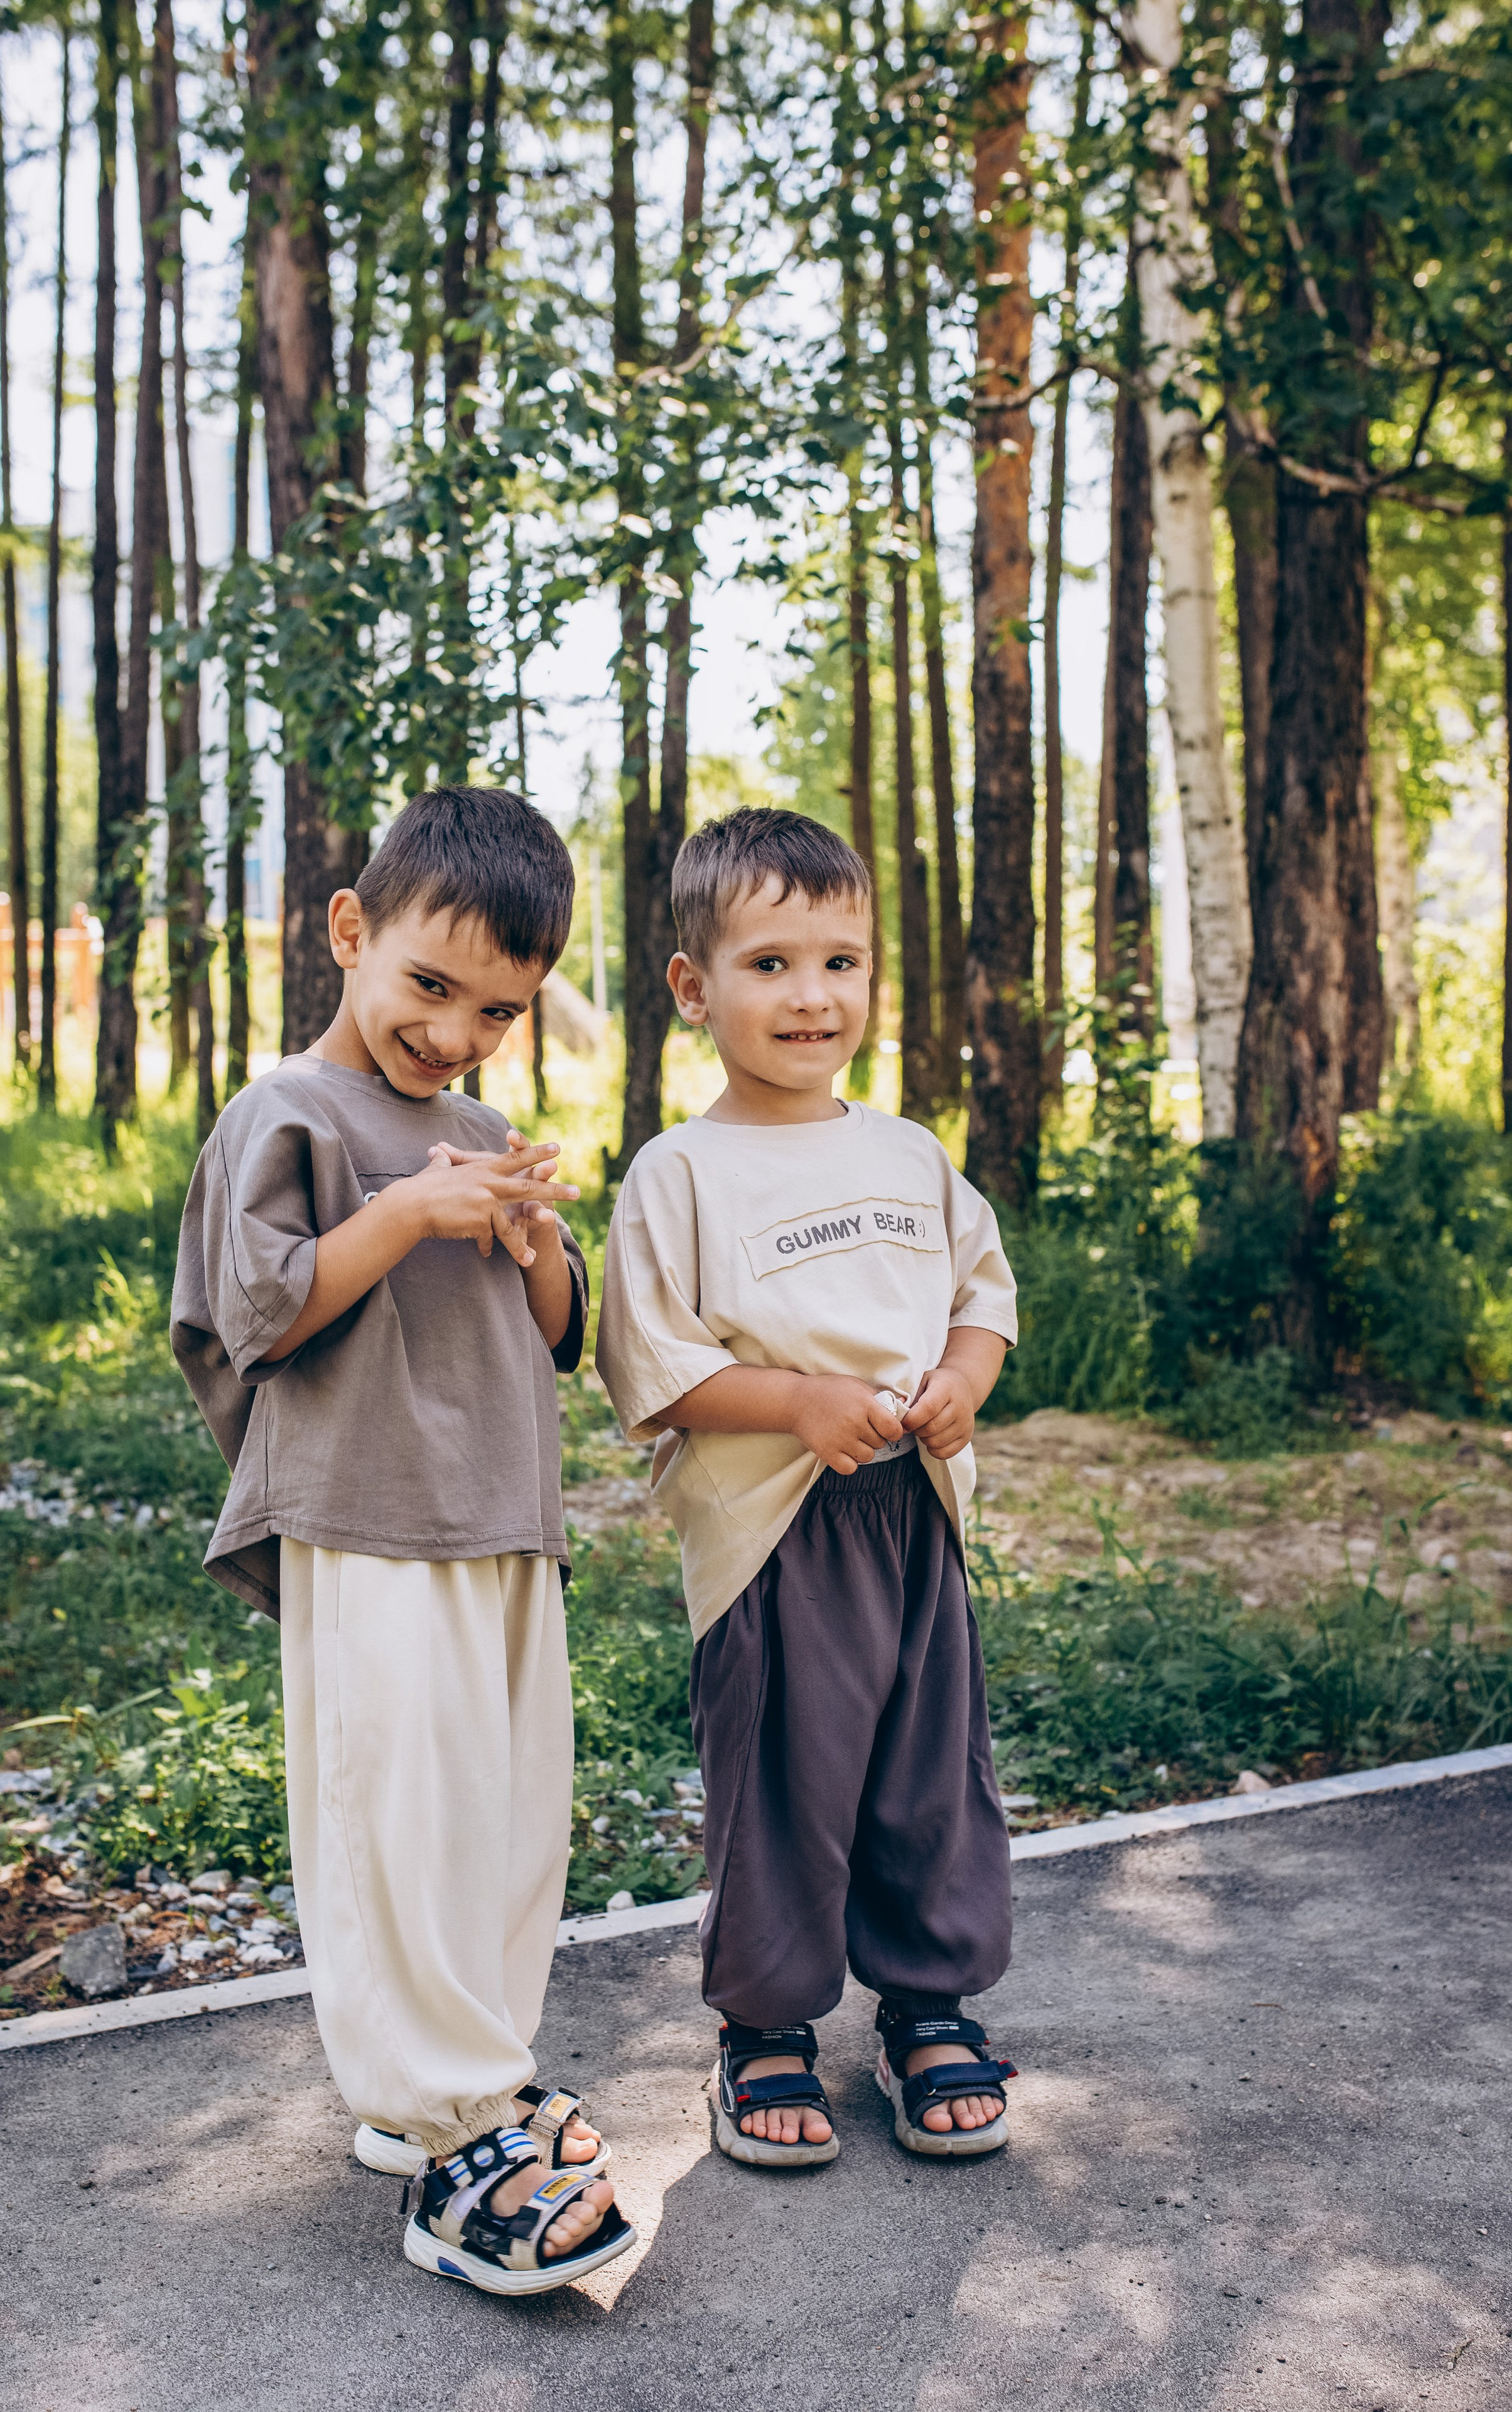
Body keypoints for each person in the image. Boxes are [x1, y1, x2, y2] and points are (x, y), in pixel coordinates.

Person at [171, 787, 635, 2293]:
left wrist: (531, 1243)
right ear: (351, 931)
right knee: (398, 1817)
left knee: (504, 1818)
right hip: (368, 1517)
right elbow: (261, 1312)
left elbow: (559, 1338)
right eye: (429, 988)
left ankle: (462, 2087)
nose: (453, 1035)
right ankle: (450, 2152)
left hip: (499, 1516)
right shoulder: (286, 1113)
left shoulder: (482, 1130)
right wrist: (410, 1213)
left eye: (496, 1010)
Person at [596, 806, 1020, 2168]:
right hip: (772, 1532)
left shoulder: (905, 1152)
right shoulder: (679, 1174)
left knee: (925, 1770)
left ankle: (926, 2003)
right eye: (769, 963)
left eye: (838, 962)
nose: (809, 995)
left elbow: (978, 1294)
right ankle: (764, 2028)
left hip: (912, 1516)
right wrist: (795, 1403)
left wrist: (961, 1375)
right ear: (692, 987)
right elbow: (653, 1364)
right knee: (782, 1777)